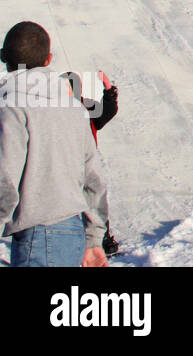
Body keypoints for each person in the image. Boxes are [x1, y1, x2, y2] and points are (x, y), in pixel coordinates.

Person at [0, 21, 110, 267]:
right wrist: (92, 239)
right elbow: (94, 180)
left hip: (37, 237)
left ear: (3, 57)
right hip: (72, 235)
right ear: (49, 60)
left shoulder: (12, 108)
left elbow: (4, 179)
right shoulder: (73, 108)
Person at [61, 70, 120, 256]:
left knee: (93, 200)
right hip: (64, 163)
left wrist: (109, 91)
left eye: (71, 89)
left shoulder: (87, 107)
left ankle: (102, 237)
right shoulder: (54, 109)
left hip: (86, 162)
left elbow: (108, 111)